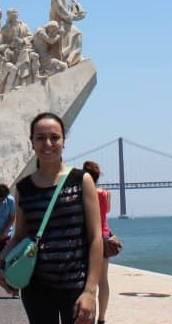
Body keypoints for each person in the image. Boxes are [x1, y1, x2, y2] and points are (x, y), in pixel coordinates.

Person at [6, 112, 102, 324]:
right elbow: (20, 236)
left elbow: (96, 237)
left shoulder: (81, 180)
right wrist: (0, 263)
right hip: (36, 288)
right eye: (40, 138)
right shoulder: (23, 188)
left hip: (76, 286)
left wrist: (90, 291)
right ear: (32, 142)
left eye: (54, 137)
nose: (48, 144)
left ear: (64, 142)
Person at [83, 161, 113, 323]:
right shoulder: (105, 193)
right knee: (103, 280)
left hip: (88, 237)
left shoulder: (83, 192)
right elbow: (107, 211)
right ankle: (102, 318)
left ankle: (89, 317)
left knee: (88, 280)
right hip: (105, 236)